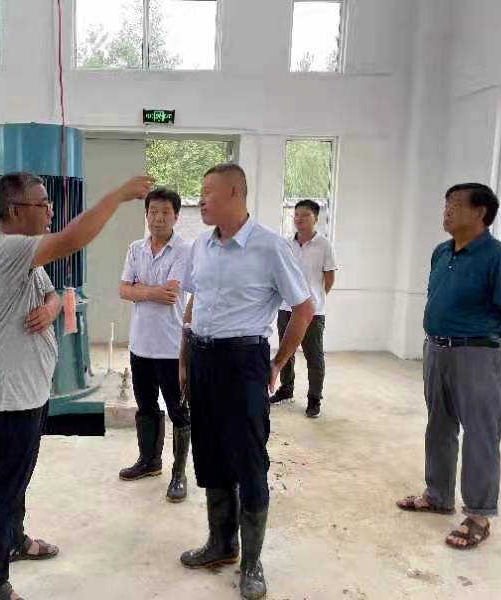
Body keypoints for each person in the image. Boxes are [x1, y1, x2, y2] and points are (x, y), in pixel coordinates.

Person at [0, 172, 155, 600]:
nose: (51, 210)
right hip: (8, 399)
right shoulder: (5, 250)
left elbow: (53, 294)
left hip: (29, 394)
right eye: (43, 203)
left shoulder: (26, 259)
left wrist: (52, 308)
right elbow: (73, 240)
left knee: (15, 482)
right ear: (15, 210)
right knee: (1, 491)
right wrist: (118, 195)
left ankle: (14, 541)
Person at [178, 163, 314, 599]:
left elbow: (304, 309)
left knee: (249, 461)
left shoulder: (270, 247)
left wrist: (278, 362)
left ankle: (252, 563)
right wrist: (185, 357)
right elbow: (194, 300)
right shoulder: (201, 245)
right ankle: (221, 544)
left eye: (208, 191)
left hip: (244, 362)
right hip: (202, 358)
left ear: (236, 193)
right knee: (210, 452)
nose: (200, 199)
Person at [397, 183, 501, 551]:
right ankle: (438, 495)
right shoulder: (442, 252)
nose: (447, 210)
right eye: (446, 203)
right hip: (437, 349)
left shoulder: (496, 258)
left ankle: (479, 515)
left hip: (478, 354)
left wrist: (490, 345)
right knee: (439, 426)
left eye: (456, 204)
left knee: (480, 434)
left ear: (480, 213)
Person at [118, 187, 192, 502]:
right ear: (146, 214)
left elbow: (170, 294)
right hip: (141, 345)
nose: (158, 218)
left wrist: (140, 289)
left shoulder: (184, 250)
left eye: (165, 212)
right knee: (146, 407)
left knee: (179, 411)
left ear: (176, 216)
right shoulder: (136, 248)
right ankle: (149, 461)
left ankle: (179, 474)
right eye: (153, 212)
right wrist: (150, 291)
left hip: (172, 347)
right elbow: (123, 289)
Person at [271, 200, 337, 418]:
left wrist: (316, 299)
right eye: (296, 214)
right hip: (286, 307)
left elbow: (329, 278)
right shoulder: (286, 244)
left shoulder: (324, 245)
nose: (299, 219)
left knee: (314, 356)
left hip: (312, 312)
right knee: (286, 352)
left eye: (305, 215)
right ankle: (286, 389)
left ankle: (314, 398)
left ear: (315, 218)